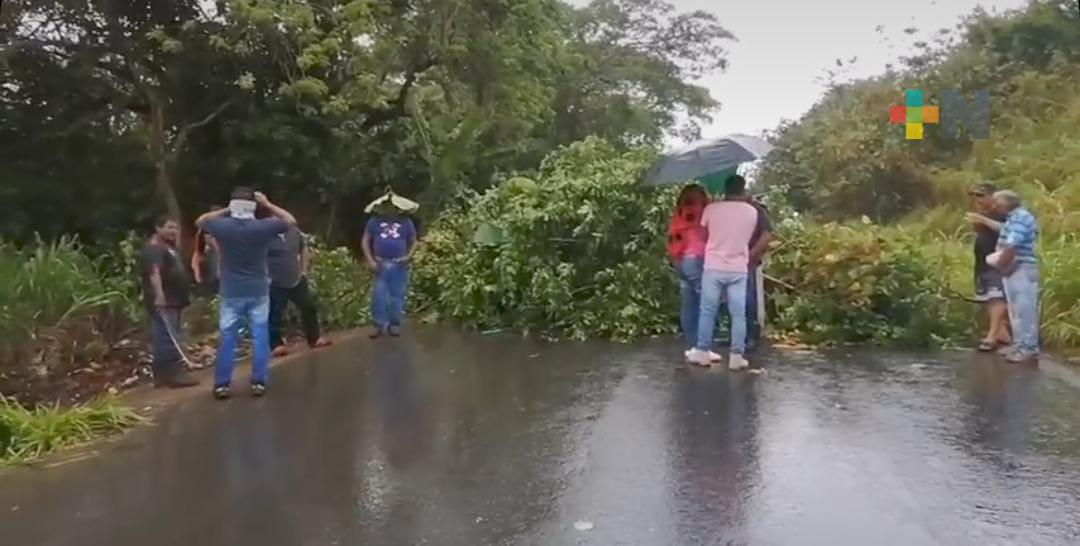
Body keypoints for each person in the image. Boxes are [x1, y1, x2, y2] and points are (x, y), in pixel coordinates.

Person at [195, 188, 297, 399]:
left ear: (233, 204)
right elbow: (290, 221)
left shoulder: (222, 226)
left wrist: (226, 209)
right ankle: (259, 381)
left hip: (231, 292)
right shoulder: (262, 227)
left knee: (228, 338)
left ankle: (222, 384)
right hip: (258, 290)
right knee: (260, 337)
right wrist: (267, 204)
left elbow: (200, 221)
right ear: (254, 205)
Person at [687, 175, 760, 371]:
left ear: (725, 189)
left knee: (708, 310)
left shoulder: (712, 209)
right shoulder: (752, 212)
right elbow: (750, 235)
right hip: (738, 267)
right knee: (738, 313)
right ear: (743, 189)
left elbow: (703, 235)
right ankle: (737, 356)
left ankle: (702, 352)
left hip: (714, 266)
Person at [139, 215, 199, 388]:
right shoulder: (154, 248)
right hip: (165, 300)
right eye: (169, 227)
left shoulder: (168, 247)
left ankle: (164, 374)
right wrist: (159, 295)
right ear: (158, 228)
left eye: (175, 228)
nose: (173, 231)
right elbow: (154, 272)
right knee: (167, 336)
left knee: (169, 334)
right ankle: (171, 374)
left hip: (175, 298)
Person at [667, 184, 720, 363]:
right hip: (695, 258)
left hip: (679, 260)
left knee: (688, 303)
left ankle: (692, 346)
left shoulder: (679, 212)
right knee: (707, 301)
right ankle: (704, 347)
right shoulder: (702, 209)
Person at [989, 190, 1040, 364]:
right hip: (1014, 267)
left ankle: (1028, 348)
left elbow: (1012, 243)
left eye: (997, 202)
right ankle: (1019, 345)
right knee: (1015, 310)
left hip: (1021, 267)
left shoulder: (1020, 218)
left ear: (1006, 202)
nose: (995, 206)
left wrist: (1001, 264)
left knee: (1024, 310)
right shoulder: (1012, 218)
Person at [267, 224, 332, 357]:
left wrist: (304, 271)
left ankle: (315, 338)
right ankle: (276, 345)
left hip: (296, 279)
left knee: (308, 306)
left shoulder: (294, 232)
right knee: (275, 313)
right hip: (275, 281)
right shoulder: (264, 235)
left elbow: (304, 250)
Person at [362, 200, 418, 338]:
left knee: (397, 296)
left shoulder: (406, 222)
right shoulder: (374, 221)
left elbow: (414, 240)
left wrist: (408, 256)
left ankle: (394, 324)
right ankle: (378, 325)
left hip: (399, 264)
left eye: (393, 206)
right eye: (387, 206)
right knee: (378, 295)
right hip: (380, 263)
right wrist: (370, 259)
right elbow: (365, 240)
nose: (390, 208)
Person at [965, 182, 1011, 352]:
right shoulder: (982, 213)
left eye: (981, 195)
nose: (977, 199)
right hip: (982, 260)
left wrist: (983, 220)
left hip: (998, 260)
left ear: (993, 196)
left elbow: (1008, 230)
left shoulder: (1002, 212)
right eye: (975, 195)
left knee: (996, 297)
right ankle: (1002, 333)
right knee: (986, 297)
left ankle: (992, 336)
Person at [744, 194, 774, 351]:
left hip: (749, 259)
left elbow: (767, 234)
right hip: (733, 260)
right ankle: (741, 336)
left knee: (749, 298)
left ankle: (751, 336)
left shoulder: (756, 210)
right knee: (736, 300)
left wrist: (752, 254)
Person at [191, 206, 221, 296]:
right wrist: (197, 274)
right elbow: (197, 254)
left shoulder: (228, 232)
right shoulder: (203, 234)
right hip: (208, 275)